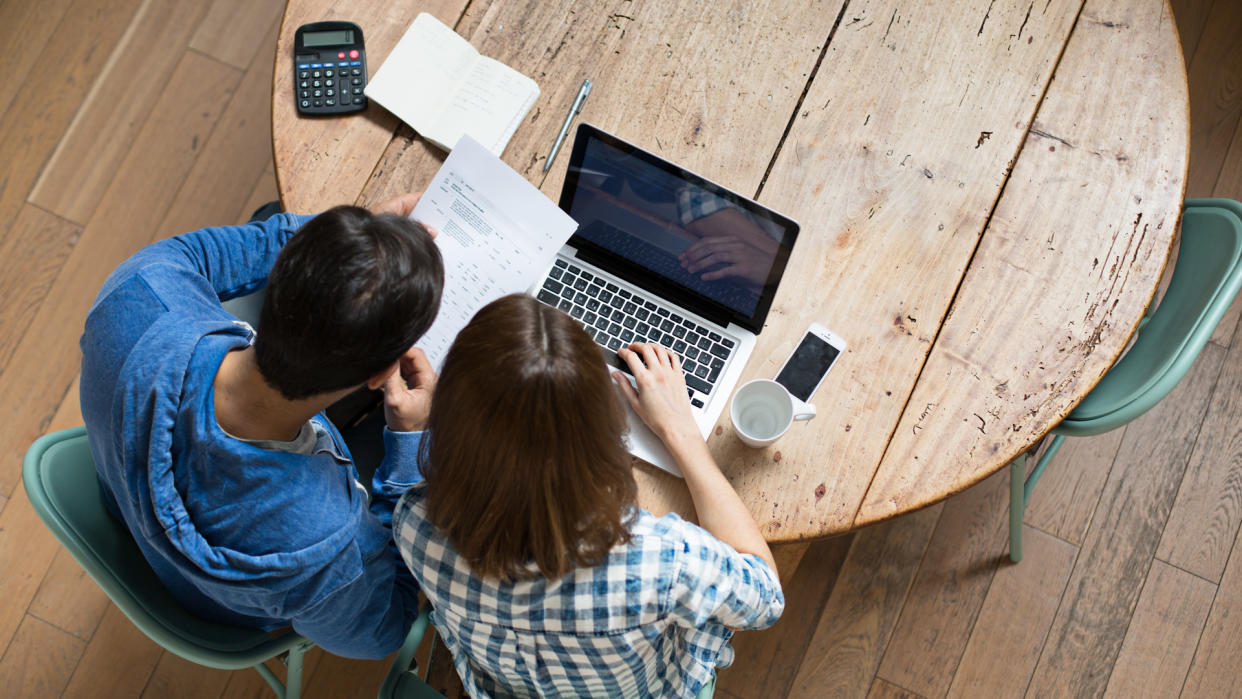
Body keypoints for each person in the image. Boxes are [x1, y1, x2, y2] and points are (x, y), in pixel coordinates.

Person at [79, 195, 443, 659]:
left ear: (279, 275)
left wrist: (353, 253)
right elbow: (383, 633)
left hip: (133, 509)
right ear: (379, 377)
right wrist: (410, 452)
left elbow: (213, 251)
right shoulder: (327, 546)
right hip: (236, 603)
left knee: (269, 210)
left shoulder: (138, 292)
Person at [392, 294, 785, 697]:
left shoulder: (413, 522)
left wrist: (420, 429)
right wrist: (681, 431)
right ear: (603, 430)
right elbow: (765, 598)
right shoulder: (660, 561)